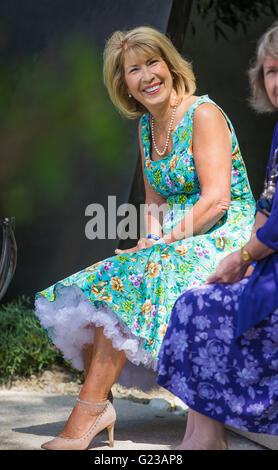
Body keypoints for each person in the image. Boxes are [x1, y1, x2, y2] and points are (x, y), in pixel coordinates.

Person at [34, 26, 255, 450]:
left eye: (152, 62)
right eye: (134, 69)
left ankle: (89, 412)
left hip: (227, 234)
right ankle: (98, 404)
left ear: (170, 66)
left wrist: (162, 243)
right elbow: (154, 204)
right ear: (125, 85)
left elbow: (217, 201)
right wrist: (148, 240)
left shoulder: (203, 113)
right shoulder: (147, 127)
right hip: (180, 237)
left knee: (138, 273)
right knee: (109, 274)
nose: (146, 75)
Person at [157, 22, 278, 451]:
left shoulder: (202, 114)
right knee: (196, 301)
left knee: (204, 307)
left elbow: (239, 209)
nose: (277, 81)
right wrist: (249, 259)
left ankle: (206, 439)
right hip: (268, 265)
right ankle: (202, 437)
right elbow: (266, 206)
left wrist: (242, 257)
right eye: (271, 71)